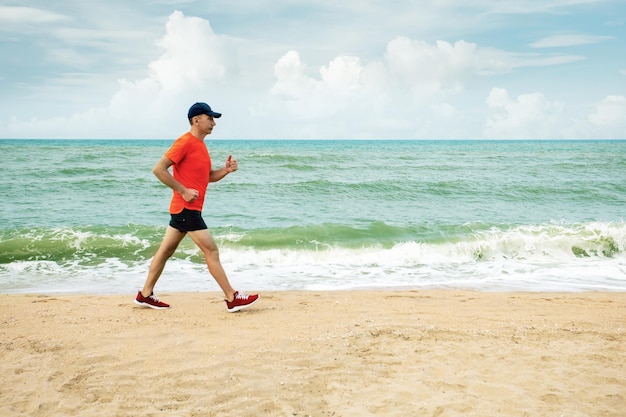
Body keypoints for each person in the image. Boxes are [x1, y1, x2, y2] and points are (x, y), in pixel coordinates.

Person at [134, 102, 259, 312]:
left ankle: (145, 294)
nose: (213, 123)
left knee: (165, 251)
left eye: (214, 119)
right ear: (196, 120)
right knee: (211, 250)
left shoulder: (200, 145)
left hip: (185, 209)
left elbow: (207, 177)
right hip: (186, 208)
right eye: (210, 118)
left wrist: (225, 170)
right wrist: (182, 190)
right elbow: (159, 169)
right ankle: (232, 297)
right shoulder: (185, 142)